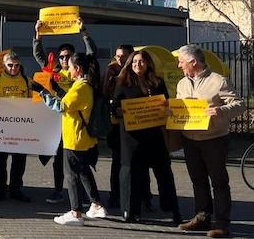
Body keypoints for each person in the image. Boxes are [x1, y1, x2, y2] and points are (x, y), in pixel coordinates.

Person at [176, 45, 245, 238]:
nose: (179, 65)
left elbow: (239, 104)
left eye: (181, 61)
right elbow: (179, 105)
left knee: (219, 182)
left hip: (214, 139)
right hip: (190, 139)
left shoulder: (218, 81)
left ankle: (222, 224)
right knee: (198, 180)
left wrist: (221, 111)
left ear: (193, 62)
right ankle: (202, 217)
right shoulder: (182, 83)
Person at [38, 53, 107, 226]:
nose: (67, 70)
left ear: (77, 69)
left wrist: (43, 93)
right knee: (83, 171)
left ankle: (75, 212)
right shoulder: (87, 85)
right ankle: (96, 204)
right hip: (83, 137)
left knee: (71, 175)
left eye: (69, 67)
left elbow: (61, 105)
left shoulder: (80, 87)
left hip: (74, 137)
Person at [33, 18, 97, 205]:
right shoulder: (56, 72)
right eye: (61, 57)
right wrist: (38, 35)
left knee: (80, 161)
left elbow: (91, 54)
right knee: (60, 159)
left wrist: (84, 32)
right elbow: (39, 56)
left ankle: (85, 198)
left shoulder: (77, 75)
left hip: (77, 121)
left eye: (67, 56)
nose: (64, 59)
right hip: (57, 121)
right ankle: (59, 190)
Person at [114, 50, 181, 224]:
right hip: (132, 137)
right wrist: (119, 111)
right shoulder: (123, 82)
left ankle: (171, 207)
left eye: (142, 61)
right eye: (134, 61)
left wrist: (167, 109)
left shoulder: (157, 82)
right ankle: (130, 210)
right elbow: (113, 105)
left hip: (154, 135)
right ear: (130, 64)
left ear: (148, 64)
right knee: (131, 174)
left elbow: (165, 101)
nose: (138, 64)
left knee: (164, 172)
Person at [0, 51, 33, 202]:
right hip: (1, 126)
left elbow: (33, 101)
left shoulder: (26, 80)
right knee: (0, 160)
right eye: (10, 65)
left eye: (16, 66)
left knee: (19, 160)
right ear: (4, 65)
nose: (14, 68)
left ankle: (16, 189)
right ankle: (0, 189)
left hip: (20, 127)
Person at [101, 44, 134, 208]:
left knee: (136, 162)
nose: (119, 59)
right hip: (116, 123)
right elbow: (106, 94)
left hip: (136, 123)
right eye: (117, 55)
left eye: (123, 56)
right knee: (117, 161)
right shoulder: (111, 71)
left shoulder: (136, 73)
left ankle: (141, 196)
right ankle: (115, 195)